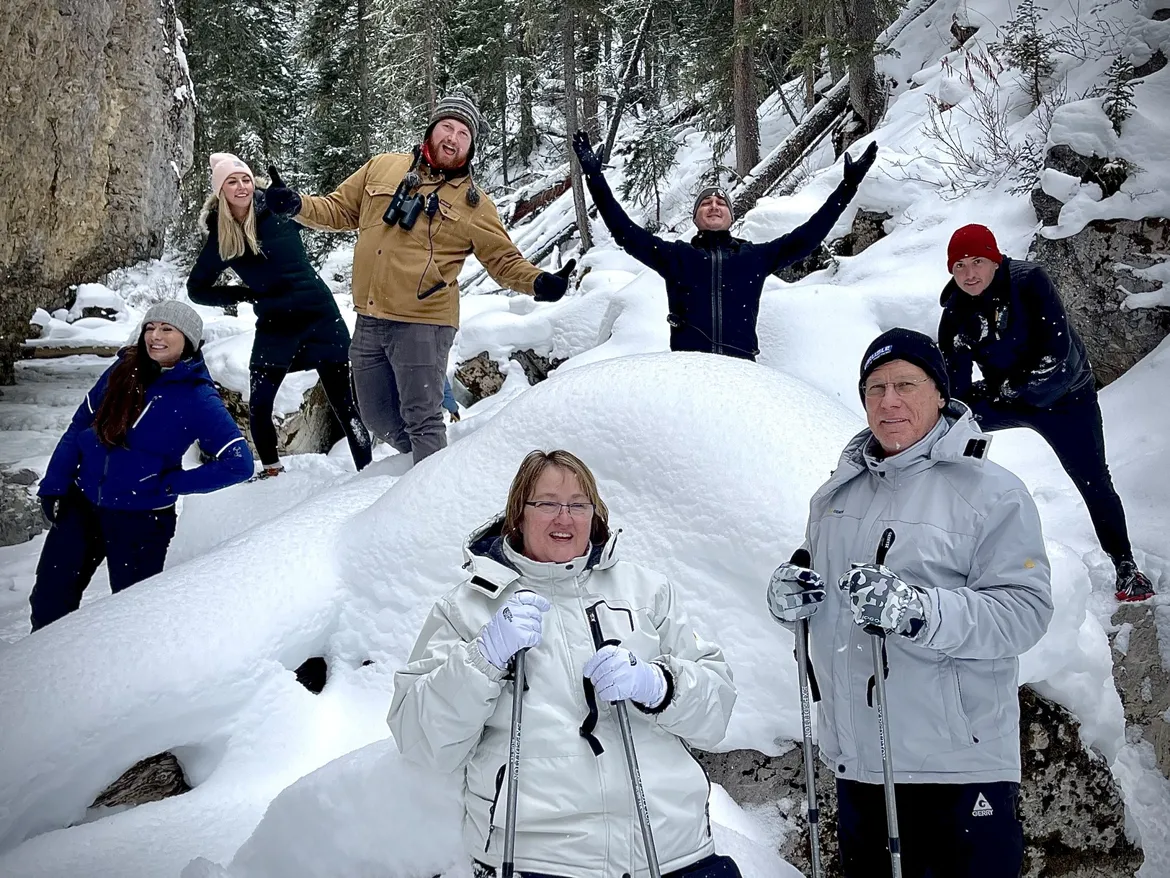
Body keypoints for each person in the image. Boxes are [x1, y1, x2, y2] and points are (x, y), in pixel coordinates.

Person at [767, 328, 1054, 878]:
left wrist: (917, 611)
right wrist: (789, 602)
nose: (888, 401)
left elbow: (1024, 612)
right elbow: (825, 604)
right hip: (860, 765)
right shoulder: (837, 496)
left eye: (905, 384)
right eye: (874, 388)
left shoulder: (991, 492)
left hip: (958, 770)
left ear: (940, 394)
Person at [389, 449, 739, 877]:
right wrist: (482, 659)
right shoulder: (470, 607)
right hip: (538, 857)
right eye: (548, 503)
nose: (565, 518)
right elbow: (420, 739)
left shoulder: (645, 592)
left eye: (578, 504)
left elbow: (717, 711)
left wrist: (659, 685)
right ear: (518, 514)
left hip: (673, 849)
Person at [264, 94, 575, 465]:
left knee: (422, 418)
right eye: (447, 126)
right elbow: (339, 209)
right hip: (369, 317)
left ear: (471, 146)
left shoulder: (475, 205)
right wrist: (297, 205)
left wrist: (539, 283)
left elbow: (503, 260)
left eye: (463, 133)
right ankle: (426, 470)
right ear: (431, 129)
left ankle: (430, 503)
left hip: (424, 322)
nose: (453, 137)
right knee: (376, 414)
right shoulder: (382, 167)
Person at [938, 224, 1154, 601]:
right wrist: (951, 414)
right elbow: (955, 389)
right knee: (943, 423)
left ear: (995, 259)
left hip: (1066, 397)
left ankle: (1125, 565)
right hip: (1009, 396)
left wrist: (1008, 388)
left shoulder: (1030, 282)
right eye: (959, 266)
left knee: (1092, 479)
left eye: (977, 262)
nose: (969, 274)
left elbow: (1055, 353)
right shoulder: (956, 314)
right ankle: (941, 544)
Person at [31, 301, 254, 631]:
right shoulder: (122, 371)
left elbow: (239, 463)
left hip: (141, 520)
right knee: (49, 601)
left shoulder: (197, 397)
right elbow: (79, 426)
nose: (155, 336)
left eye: (167, 329)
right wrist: (55, 484)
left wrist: (168, 483)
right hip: (83, 506)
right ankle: (43, 672)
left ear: (189, 339)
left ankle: (123, 678)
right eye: (150, 328)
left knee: (130, 617)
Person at [571, 129, 878, 360]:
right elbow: (624, 232)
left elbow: (808, 237)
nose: (714, 205)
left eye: (721, 202)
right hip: (689, 369)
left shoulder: (754, 257)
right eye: (706, 202)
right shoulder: (677, 257)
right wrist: (595, 176)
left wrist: (847, 187)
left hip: (741, 372)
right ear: (696, 217)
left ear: (731, 216)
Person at [187, 152, 372, 479]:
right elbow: (197, 289)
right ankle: (272, 471)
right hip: (276, 323)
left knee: (345, 406)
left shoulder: (275, 206)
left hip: (319, 313)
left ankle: (368, 475)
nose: (241, 186)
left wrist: (293, 202)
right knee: (259, 404)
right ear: (220, 191)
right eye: (232, 181)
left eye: (245, 178)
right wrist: (242, 294)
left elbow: (311, 210)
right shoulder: (220, 237)